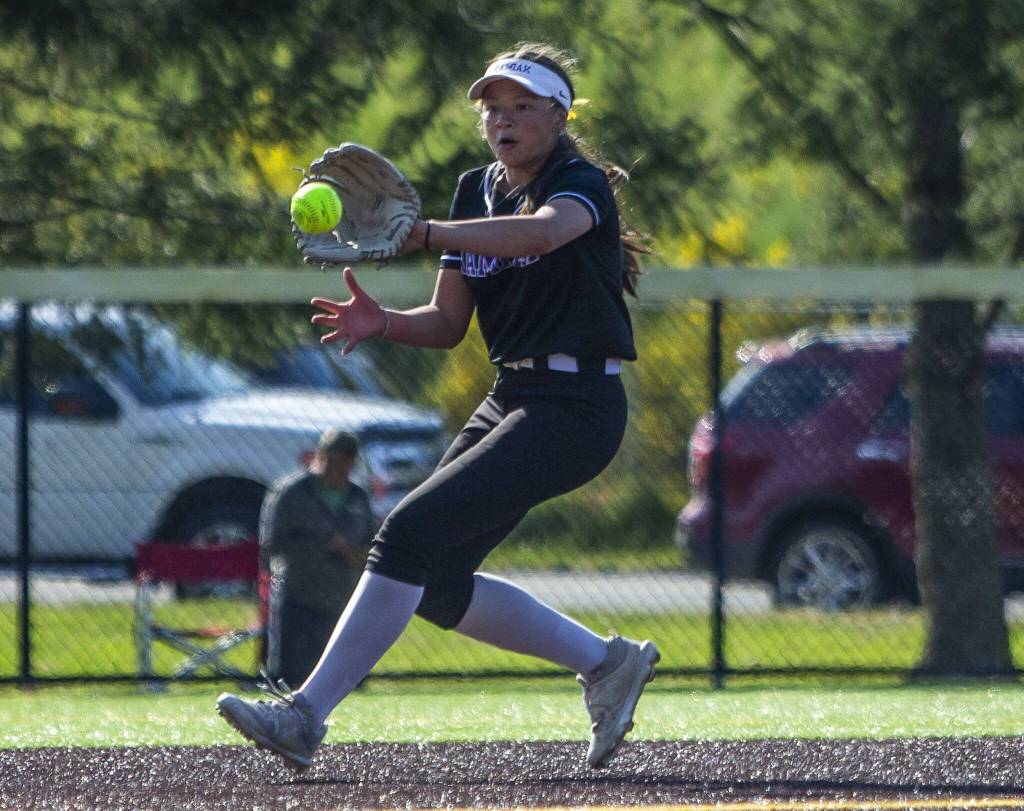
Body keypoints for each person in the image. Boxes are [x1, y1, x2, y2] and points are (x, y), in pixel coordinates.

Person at [217, 41, 659, 772]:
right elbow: (450, 323)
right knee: (438, 578)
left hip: (578, 405)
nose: (504, 120)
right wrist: (384, 321)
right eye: (493, 106)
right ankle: (607, 663)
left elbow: (544, 232)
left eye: (522, 106)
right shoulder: (473, 190)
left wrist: (423, 235)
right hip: (514, 395)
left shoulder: (578, 183)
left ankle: (305, 715)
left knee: (405, 532)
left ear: (558, 114)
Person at [260, 428, 376, 687]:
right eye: (331, 459)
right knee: (290, 678)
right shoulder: (291, 493)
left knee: (347, 679)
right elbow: (272, 546)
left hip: (344, 600)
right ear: (319, 456)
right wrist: (323, 546)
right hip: (299, 598)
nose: (336, 467)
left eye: (345, 461)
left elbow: (373, 542)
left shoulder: (357, 497)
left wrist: (355, 555)